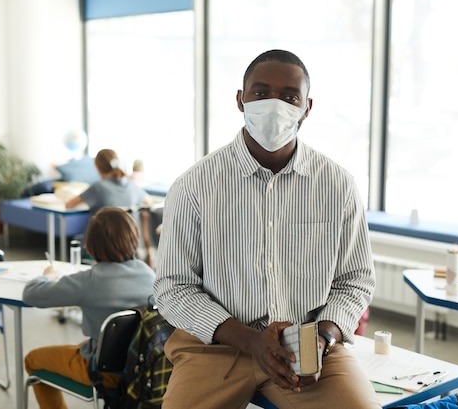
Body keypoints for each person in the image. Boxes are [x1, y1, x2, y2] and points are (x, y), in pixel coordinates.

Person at [153, 49, 380, 409]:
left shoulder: (337, 185)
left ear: (307, 107)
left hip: (308, 349)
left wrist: (321, 339)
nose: (274, 105)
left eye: (290, 97)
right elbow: (172, 286)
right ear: (240, 100)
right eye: (260, 93)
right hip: (215, 347)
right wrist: (250, 340)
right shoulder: (195, 185)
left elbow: (356, 280)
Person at [23, 207, 155, 409]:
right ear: (133, 237)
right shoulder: (148, 274)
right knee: (82, 346)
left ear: (91, 245)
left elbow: (31, 294)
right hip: (142, 367)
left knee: (32, 359)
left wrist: (47, 275)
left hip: (103, 372)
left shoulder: (90, 280)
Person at [65, 149, 151, 216]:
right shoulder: (131, 184)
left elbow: (69, 205)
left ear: (97, 166)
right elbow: (148, 200)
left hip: (102, 237)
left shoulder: (98, 187)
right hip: (128, 237)